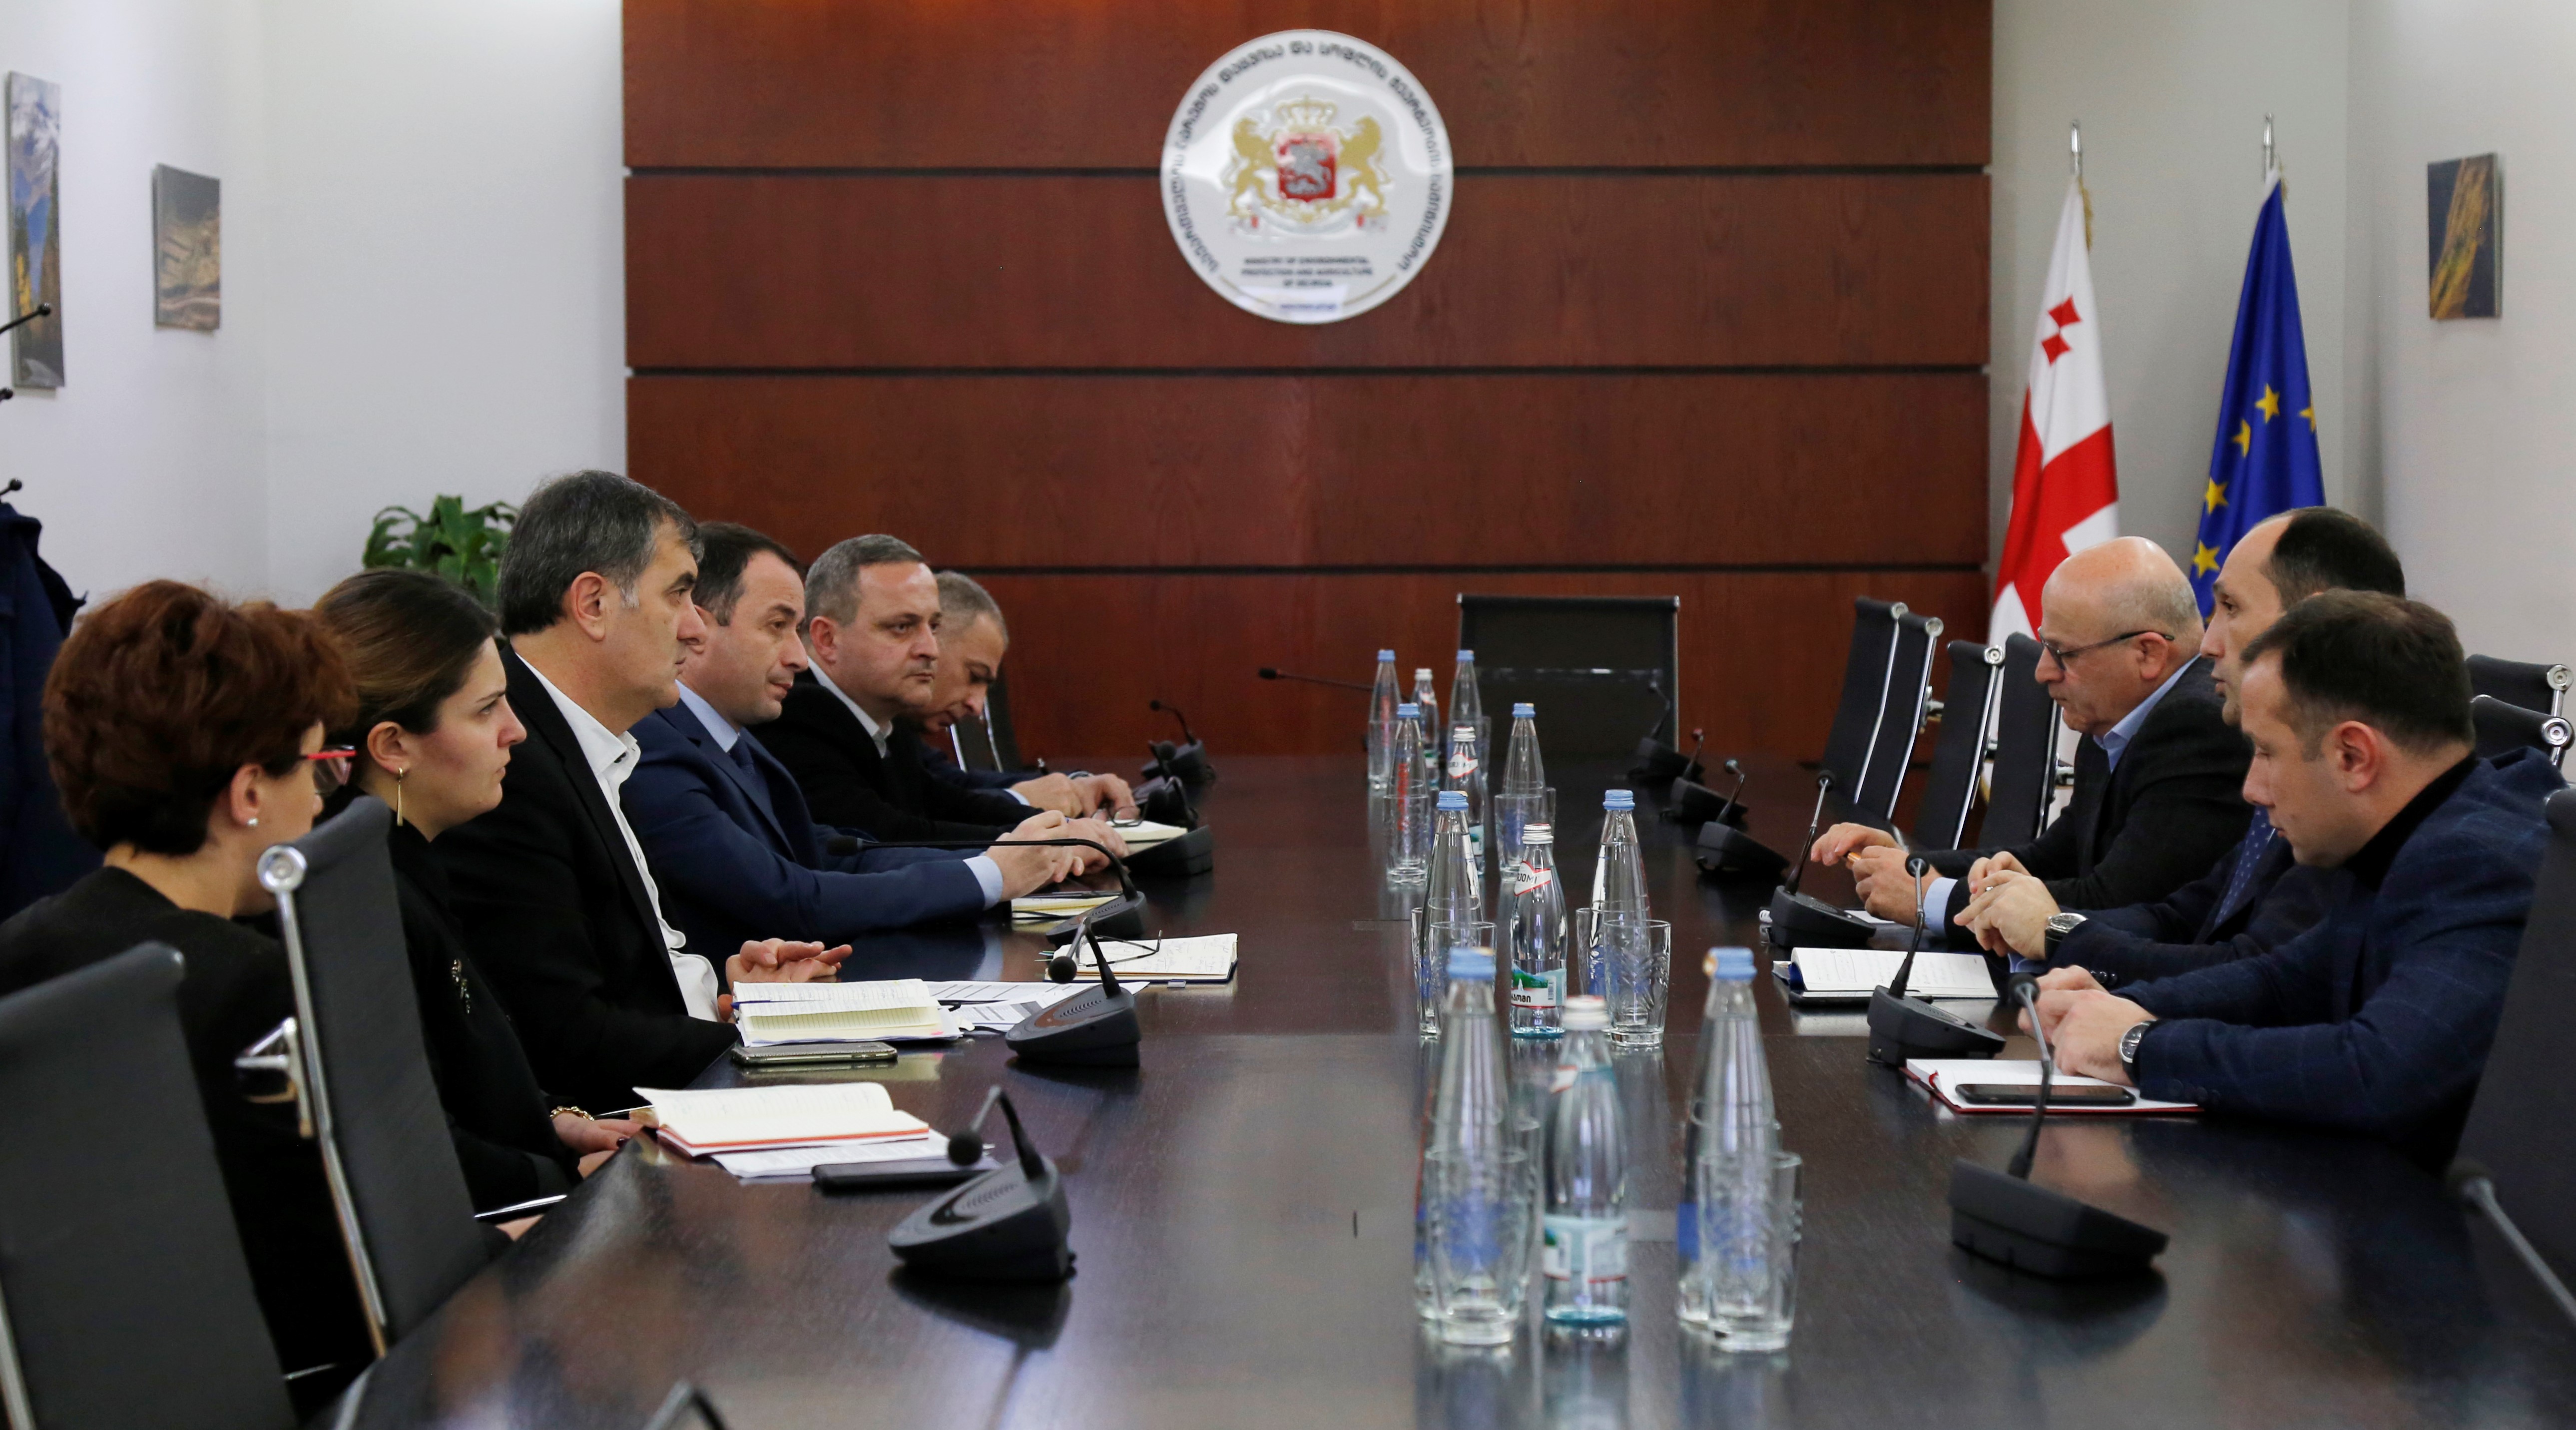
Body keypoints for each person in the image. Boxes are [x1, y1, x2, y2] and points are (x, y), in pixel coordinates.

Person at [2026, 592, 2564, 1167]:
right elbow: (2285, 981)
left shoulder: (2480, 860)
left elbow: (2377, 1075)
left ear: (2353, 755)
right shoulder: (2418, 826)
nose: (2252, 789)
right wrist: (2119, 1006)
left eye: (2266, 752)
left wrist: (2138, 1046)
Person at [0, 581, 374, 1401]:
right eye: (315, 768)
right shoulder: (250, 982)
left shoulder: (19, 948)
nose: (319, 802)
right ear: (249, 793)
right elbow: (332, 1274)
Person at [432, 472, 847, 1114]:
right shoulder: (509, 767)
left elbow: (619, 980)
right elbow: (566, 1037)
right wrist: (760, 1038)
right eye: (679, 594)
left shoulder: (588, 742)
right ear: (594, 604)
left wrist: (729, 995)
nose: (696, 629)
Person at [1959, 508, 2409, 978]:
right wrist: (2057, 933)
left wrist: (2061, 942)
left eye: (2230, 608)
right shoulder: (2310, 780)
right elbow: (2180, 918)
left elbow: (2260, 978)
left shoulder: (2356, 805)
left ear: (2313, 621)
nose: (2207, 644)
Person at [315, 568, 638, 1212]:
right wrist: (566, 1183)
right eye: (487, 709)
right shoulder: (365, 900)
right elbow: (415, 1149)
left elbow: (467, 1074)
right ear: (393, 745)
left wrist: (553, 1119)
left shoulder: (412, 860)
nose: (515, 730)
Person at [624, 524, 1086, 957]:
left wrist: (1006, 859)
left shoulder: (731, 737)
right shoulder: (655, 746)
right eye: (777, 626)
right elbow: (787, 898)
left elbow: (832, 853)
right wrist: (992, 873)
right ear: (698, 629)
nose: (798, 658)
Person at [1812, 537, 2251, 946]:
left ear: (2147, 654)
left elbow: (2116, 903)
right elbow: (2054, 856)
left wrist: (1931, 898)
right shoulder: (2114, 712)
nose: (2042, 672)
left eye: (2063, 653)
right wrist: (1913, 865)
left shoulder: (2198, 727)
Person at [763, 534, 1130, 851]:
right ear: (828, 639)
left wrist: (1068, 827)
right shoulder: (794, 711)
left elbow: (945, 802)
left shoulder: (880, 712)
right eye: (902, 627)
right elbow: (883, 835)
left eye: (934, 627)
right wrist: (1050, 842)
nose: (931, 649)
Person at [917, 570, 1138, 817]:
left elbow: (954, 785)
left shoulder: (902, 738)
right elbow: (917, 817)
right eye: (975, 676)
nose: (977, 707)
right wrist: (1021, 800)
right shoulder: (885, 732)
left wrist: (1075, 786)